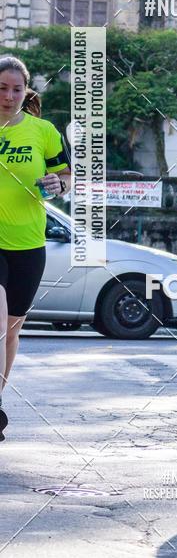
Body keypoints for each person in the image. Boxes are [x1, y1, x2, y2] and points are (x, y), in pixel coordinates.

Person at [0, 56, 71, 441]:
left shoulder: (43, 131)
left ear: (25, 92)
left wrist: (60, 184)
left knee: (11, 331)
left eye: (16, 89)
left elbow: (65, 176)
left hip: (29, 241)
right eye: (1, 88)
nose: (8, 96)